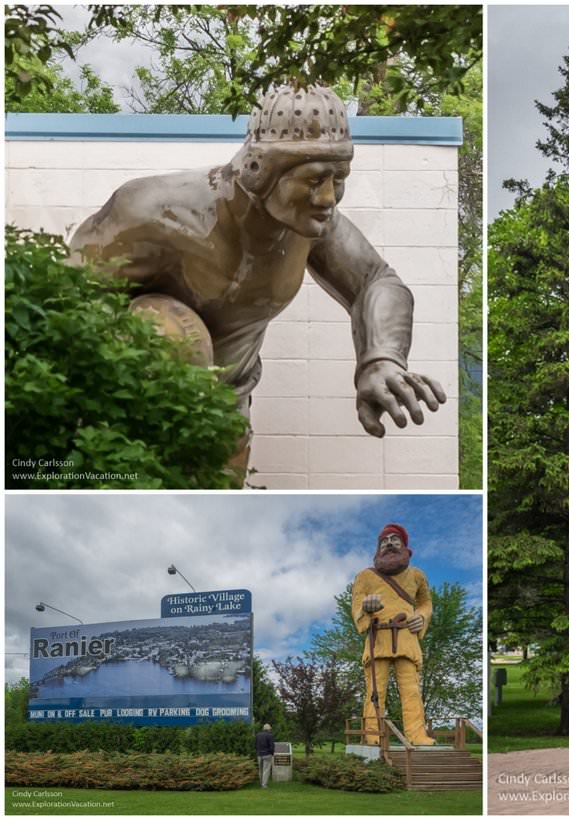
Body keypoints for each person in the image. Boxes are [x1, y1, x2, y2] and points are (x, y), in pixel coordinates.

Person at [68, 85, 446, 472]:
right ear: (259, 170)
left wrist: (380, 359)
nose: (329, 198)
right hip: (132, 400)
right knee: (168, 327)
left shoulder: (313, 225)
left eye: (339, 177)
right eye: (314, 179)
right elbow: (69, 303)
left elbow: (376, 280)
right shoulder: (153, 210)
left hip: (230, 403)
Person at [351, 523, 435, 746]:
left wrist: (422, 617)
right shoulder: (364, 577)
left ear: (405, 546)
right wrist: (365, 610)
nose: (389, 543)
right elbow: (356, 607)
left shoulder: (417, 576)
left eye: (394, 539)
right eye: (384, 540)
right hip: (377, 640)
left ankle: (417, 734)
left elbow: (426, 603)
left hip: (406, 638)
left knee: (411, 690)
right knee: (374, 690)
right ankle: (372, 735)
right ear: (378, 548)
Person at [255, 723, 275, 788]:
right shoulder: (270, 735)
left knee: (260, 770)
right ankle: (264, 785)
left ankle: (261, 783)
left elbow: (256, 744)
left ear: (263, 729)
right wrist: (272, 753)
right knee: (266, 770)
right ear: (269, 729)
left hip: (259, 754)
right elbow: (272, 747)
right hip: (267, 754)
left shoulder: (258, 735)